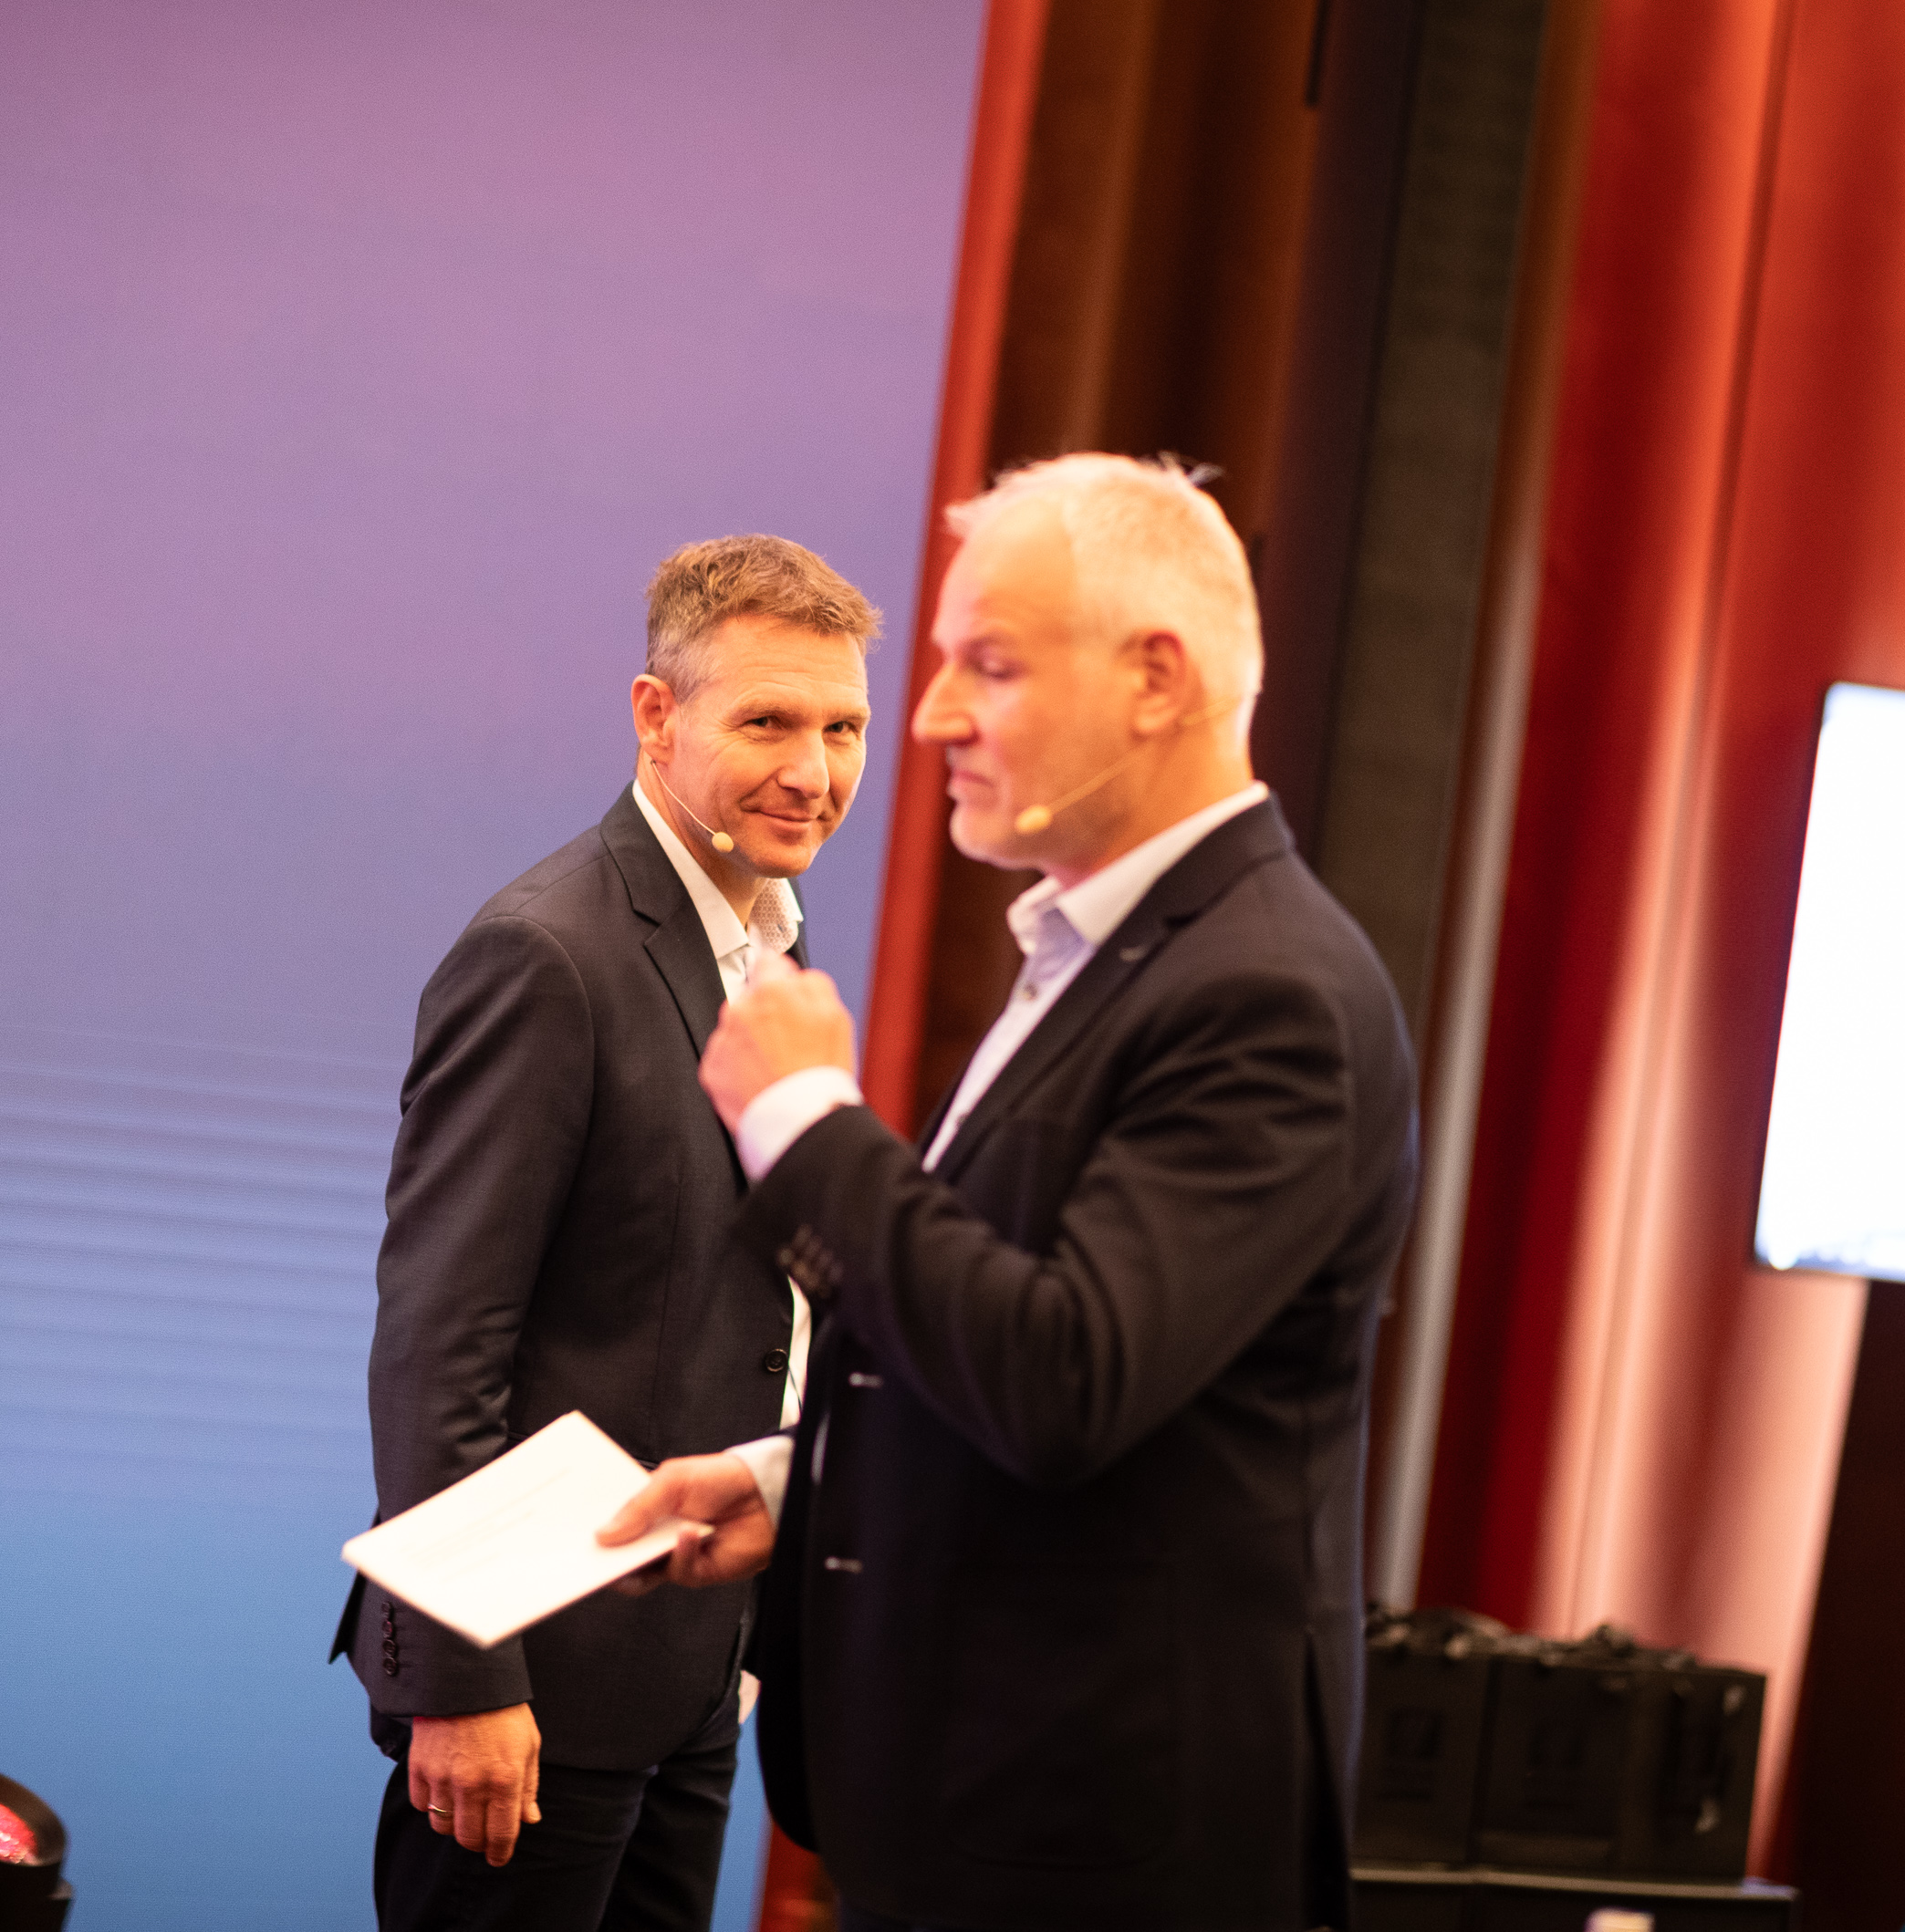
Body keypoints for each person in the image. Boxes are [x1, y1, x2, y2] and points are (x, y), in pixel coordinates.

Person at [600, 454, 1420, 1932]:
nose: (928, 718)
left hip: (1099, 1849)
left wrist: (805, 1118)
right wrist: (803, 1481)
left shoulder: (1267, 995)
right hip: (989, 1817)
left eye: (989, 664)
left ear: (1157, 681)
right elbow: (1019, 1338)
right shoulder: (1109, 953)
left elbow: (1064, 1377)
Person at [334, 535, 882, 1930]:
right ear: (655, 716)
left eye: (843, 729)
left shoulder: (772, 943)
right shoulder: (547, 952)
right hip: (532, 1690)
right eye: (768, 721)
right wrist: (463, 1677)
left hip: (692, 1674)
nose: (813, 772)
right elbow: (440, 1343)